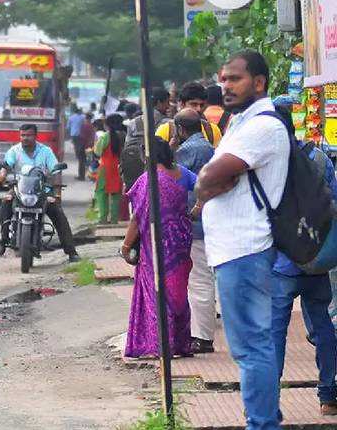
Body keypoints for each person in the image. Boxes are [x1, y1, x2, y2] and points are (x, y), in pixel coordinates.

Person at [196, 50, 290, 430]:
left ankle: (262, 423)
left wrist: (205, 188)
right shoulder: (240, 123)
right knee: (253, 345)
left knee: (251, 348)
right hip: (234, 250)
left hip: (245, 249)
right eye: (223, 78)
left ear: (259, 82)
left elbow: (207, 176)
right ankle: (266, 416)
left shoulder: (262, 126)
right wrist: (209, 184)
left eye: (234, 78)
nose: (225, 85)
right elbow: (212, 176)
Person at [269, 105, 337, 417]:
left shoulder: (270, 162)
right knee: (323, 325)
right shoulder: (320, 158)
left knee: (275, 332)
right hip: (316, 258)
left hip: (282, 260)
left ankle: (270, 399)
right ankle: (328, 395)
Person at [121, 138, 193, 358]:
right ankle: (179, 343)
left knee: (156, 293)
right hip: (181, 242)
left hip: (156, 245)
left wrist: (125, 246)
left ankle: (160, 345)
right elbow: (202, 189)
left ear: (147, 155)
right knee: (177, 293)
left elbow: (137, 217)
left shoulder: (148, 180)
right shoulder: (182, 174)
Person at [0, 124, 80, 262]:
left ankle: (71, 251)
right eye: (23, 135)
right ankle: (3, 241)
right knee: (6, 202)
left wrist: (56, 192)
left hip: (42, 190)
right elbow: (6, 165)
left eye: (28, 135)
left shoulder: (46, 151)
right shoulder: (14, 151)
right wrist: (2, 176)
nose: (25, 138)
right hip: (20, 189)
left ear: (35, 136)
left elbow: (55, 170)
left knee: (58, 213)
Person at [174, 109, 216, 354]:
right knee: (203, 278)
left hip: (195, 223)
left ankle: (202, 336)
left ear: (180, 128)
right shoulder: (207, 146)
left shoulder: (189, 150)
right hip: (206, 221)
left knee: (199, 279)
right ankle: (200, 333)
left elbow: (173, 178)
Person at [120, 88, 170, 192]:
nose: (168, 106)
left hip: (135, 172)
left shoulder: (134, 122)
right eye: (167, 102)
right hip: (159, 174)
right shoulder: (168, 124)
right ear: (159, 102)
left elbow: (127, 146)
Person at [156, 82, 222, 149]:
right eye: (194, 104)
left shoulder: (212, 130)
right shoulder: (166, 130)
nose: (198, 109)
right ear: (182, 104)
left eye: (201, 105)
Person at [93, 115, 123, 224]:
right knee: (115, 194)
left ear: (107, 125)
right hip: (117, 167)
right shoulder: (121, 135)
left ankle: (103, 218)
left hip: (105, 168)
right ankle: (114, 219)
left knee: (101, 193)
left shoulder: (105, 136)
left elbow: (97, 151)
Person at [68, 106, 87, 180]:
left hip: (73, 134)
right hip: (80, 135)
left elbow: (68, 126)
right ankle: (78, 154)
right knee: (79, 147)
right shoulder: (83, 117)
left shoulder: (71, 117)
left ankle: (77, 154)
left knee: (76, 146)